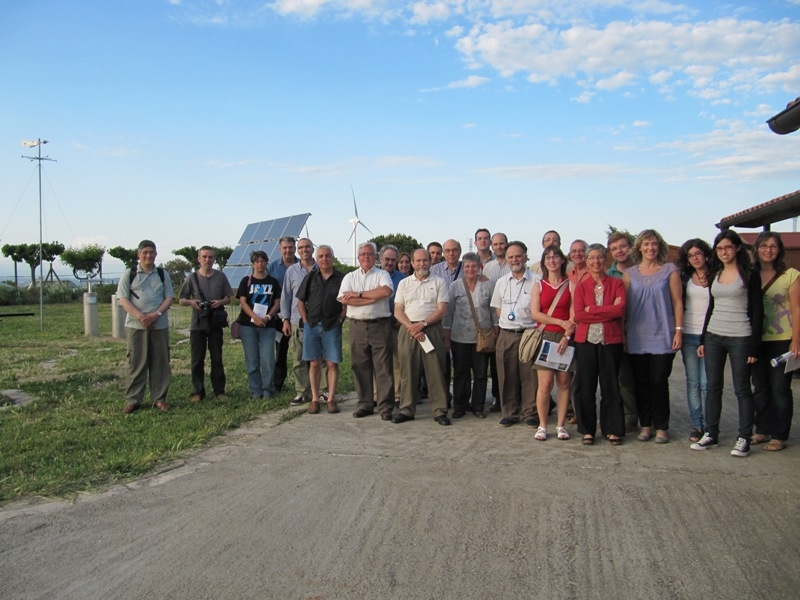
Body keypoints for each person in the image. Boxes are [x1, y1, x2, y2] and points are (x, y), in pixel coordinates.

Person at [692, 230, 763, 457]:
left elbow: (758, 311)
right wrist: (703, 338)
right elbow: (711, 307)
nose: (724, 252)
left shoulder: (749, 274)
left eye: (728, 248)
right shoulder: (716, 273)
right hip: (714, 335)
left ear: (737, 248)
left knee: (742, 388)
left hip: (740, 336)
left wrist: (754, 345)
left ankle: (744, 437)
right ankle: (711, 433)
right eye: (720, 249)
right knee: (713, 387)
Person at [622, 229, 683, 444]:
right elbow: (625, 307)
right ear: (639, 247)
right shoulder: (630, 273)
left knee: (659, 381)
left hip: (663, 334)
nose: (650, 248)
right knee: (641, 383)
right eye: (646, 244)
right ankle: (645, 425)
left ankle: (662, 426)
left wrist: (678, 330)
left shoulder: (670, 270)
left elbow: (677, 302)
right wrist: (624, 333)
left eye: (654, 244)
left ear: (660, 246)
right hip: (637, 336)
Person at [573, 244, 626, 445]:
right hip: (586, 341)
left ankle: (612, 429)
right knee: (585, 386)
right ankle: (588, 430)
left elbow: (619, 311)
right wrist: (606, 310)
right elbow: (579, 315)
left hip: (610, 341)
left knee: (611, 386)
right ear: (586, 261)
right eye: (592, 258)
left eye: (600, 257)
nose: (596, 262)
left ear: (606, 259)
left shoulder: (616, 283)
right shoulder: (581, 286)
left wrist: (592, 309)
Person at [751, 231, 798, 452]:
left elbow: (798, 309)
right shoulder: (750, 274)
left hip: (782, 339)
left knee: (780, 388)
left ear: (779, 249)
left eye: (773, 246)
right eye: (763, 246)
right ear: (757, 249)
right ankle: (762, 429)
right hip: (756, 339)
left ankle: (779, 434)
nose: (768, 250)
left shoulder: (791, 275)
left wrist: (796, 340)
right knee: (759, 387)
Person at [393, 249, 451, 426]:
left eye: (425, 260)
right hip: (408, 330)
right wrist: (412, 327)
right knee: (408, 371)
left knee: (435, 371)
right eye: (418, 261)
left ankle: (439, 410)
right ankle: (406, 409)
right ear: (412, 263)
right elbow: (397, 310)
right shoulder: (404, 283)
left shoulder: (439, 282)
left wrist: (423, 324)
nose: (422, 264)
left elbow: (442, 309)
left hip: (431, 329)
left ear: (430, 262)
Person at [338, 242, 395, 419]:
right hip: (357, 326)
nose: (366, 257)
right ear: (358, 257)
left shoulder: (383, 274)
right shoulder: (349, 277)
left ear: (375, 256)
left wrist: (360, 294)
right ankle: (365, 404)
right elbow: (344, 299)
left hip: (380, 325)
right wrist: (371, 298)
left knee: (383, 367)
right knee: (360, 366)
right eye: (363, 254)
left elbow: (385, 291)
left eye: (370, 254)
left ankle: (385, 406)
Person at [117, 240, 175, 414]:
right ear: (139, 254)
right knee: (136, 362)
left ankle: (159, 398)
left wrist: (156, 314)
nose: (148, 255)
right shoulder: (130, 274)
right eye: (145, 252)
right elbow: (123, 299)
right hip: (136, 325)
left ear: (156, 254)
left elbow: (169, 297)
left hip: (159, 325)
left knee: (160, 362)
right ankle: (133, 400)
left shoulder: (162, 274)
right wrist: (140, 316)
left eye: (152, 252)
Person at [490, 241, 541, 427]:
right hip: (506, 334)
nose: (514, 260)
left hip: (529, 333)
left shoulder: (537, 281)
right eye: (510, 257)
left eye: (518, 256)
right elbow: (497, 308)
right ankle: (510, 413)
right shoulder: (501, 282)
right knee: (507, 375)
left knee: (530, 376)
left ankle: (530, 412)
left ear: (526, 256)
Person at [530, 245, 575, 440]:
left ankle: (560, 425)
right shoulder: (539, 285)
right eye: (548, 257)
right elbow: (535, 313)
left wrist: (566, 334)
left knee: (564, 382)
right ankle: (542, 425)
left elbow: (573, 314)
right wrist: (559, 322)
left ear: (562, 260)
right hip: (546, 337)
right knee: (545, 383)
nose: (552, 260)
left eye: (556, 256)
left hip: (565, 338)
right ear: (544, 262)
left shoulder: (571, 284)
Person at [443, 252, 496, 419]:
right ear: (463, 268)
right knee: (460, 373)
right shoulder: (455, 286)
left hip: (482, 337)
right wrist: (447, 335)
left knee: (480, 373)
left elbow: (493, 309)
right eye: (467, 266)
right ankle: (460, 405)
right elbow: (449, 312)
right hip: (459, 337)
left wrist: (496, 328)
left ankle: (478, 406)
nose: (471, 269)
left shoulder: (488, 285)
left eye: (474, 266)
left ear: (480, 267)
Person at [179, 246, 233, 403]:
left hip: (216, 322)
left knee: (217, 357)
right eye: (204, 257)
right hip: (197, 323)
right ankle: (198, 391)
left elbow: (229, 297)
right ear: (198, 259)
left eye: (210, 257)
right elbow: (181, 299)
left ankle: (219, 390)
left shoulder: (221, 277)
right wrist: (191, 302)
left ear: (214, 259)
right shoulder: (192, 278)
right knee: (197, 359)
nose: (207, 260)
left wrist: (220, 302)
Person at [296, 245, 346, 415]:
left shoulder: (341, 278)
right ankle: (315, 400)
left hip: (332, 325)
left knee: (332, 363)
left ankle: (331, 399)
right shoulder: (311, 277)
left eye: (327, 256)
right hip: (312, 325)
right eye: (321, 256)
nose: (324, 259)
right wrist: (305, 320)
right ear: (317, 259)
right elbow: (301, 301)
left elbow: (346, 302)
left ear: (333, 257)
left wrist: (341, 319)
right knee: (314, 363)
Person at [280, 238, 326, 406]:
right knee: (298, 359)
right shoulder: (292, 271)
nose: (304, 250)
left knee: (321, 358)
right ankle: (302, 392)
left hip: (319, 321)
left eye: (307, 247)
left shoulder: (322, 268)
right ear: (297, 251)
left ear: (312, 248)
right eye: (301, 247)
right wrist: (285, 320)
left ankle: (323, 391)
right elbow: (286, 296)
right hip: (296, 321)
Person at [677, 238, 712, 442]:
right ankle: (697, 425)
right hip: (689, 333)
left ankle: (710, 424)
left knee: (707, 382)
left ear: (706, 254)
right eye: (690, 255)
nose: (695, 258)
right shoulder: (685, 277)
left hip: (710, 334)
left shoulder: (717, 276)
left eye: (698, 253)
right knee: (693, 382)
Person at [236, 250, 282, 400]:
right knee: (252, 360)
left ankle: (268, 389)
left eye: (263, 261)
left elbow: (277, 302)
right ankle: (255, 391)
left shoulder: (273, 281)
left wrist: (268, 316)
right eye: (257, 261)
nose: (260, 264)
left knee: (268, 359)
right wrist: (254, 317)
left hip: (268, 326)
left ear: (267, 262)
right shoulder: (246, 281)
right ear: (253, 264)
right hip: (248, 326)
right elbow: (243, 301)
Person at [606, 231, 638, 432]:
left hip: (644, 331)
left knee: (647, 377)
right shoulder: (608, 276)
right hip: (618, 332)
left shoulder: (642, 271)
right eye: (614, 248)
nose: (619, 251)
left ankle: (650, 417)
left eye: (623, 246)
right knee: (623, 378)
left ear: (631, 247)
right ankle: (629, 416)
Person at [482, 232, 509, 411]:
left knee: (506, 364)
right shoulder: (487, 268)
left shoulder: (514, 264)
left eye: (502, 244)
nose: (499, 247)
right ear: (492, 246)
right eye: (496, 244)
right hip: (492, 321)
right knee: (493, 362)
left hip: (510, 322)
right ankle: (497, 398)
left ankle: (509, 398)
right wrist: (494, 323)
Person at [268, 236, 298, 393]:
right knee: (280, 351)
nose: (288, 250)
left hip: (300, 317)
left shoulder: (303, 266)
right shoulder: (272, 268)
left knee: (302, 352)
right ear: (280, 249)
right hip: (279, 318)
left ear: (295, 248)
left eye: (291, 247)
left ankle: (304, 384)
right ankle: (278, 384)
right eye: (285, 247)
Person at [379, 244, 407, 405]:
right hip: (378, 325)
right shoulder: (374, 275)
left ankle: (397, 395)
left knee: (397, 361)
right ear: (380, 259)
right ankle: (378, 395)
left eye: (392, 260)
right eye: (386, 259)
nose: (389, 262)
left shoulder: (403, 279)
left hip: (397, 326)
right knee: (380, 362)